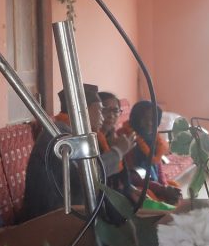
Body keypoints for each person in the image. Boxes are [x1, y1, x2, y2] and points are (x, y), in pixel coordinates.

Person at [21, 84, 134, 221]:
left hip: (70, 214)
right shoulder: (61, 137)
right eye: (99, 111)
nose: (102, 118)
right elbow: (86, 177)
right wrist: (118, 151)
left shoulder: (70, 132)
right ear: (82, 111)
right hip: (51, 220)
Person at [117, 100, 181, 205]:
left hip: (152, 181)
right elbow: (130, 175)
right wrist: (160, 189)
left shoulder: (153, 137)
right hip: (134, 184)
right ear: (136, 118)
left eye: (153, 119)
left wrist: (164, 185)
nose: (150, 123)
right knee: (148, 195)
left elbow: (157, 164)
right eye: (145, 118)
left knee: (175, 189)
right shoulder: (125, 137)